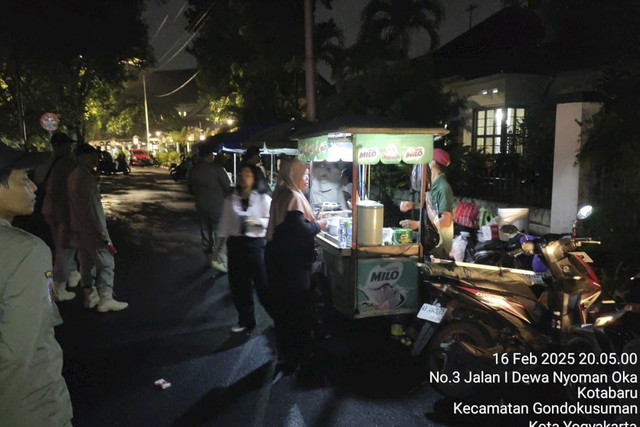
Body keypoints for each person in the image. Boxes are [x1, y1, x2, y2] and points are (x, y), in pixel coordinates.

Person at [0, 141, 73, 426]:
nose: (33, 187)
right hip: (27, 409)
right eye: (23, 179)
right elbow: (21, 355)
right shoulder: (24, 251)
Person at [265, 159, 327, 375]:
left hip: (277, 260)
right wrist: (319, 225)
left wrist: (311, 221)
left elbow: (292, 225)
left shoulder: (283, 190)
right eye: (305, 174)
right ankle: (298, 356)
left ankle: (287, 354)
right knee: (297, 309)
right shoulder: (292, 195)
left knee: (284, 310)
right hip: (291, 265)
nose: (308, 178)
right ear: (293, 173)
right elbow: (299, 231)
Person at [68, 143, 128, 312]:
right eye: (91, 156)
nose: (95, 159)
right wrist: (102, 232)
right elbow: (94, 208)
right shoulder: (86, 178)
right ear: (80, 157)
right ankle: (105, 299)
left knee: (86, 263)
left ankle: (89, 296)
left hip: (79, 227)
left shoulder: (73, 175)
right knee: (106, 263)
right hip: (92, 229)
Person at [213, 164, 272, 333]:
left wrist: (258, 221)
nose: (243, 177)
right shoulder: (231, 199)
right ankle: (246, 320)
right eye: (240, 174)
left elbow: (273, 220)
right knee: (239, 286)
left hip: (256, 245)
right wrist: (217, 248)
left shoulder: (263, 198)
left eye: (247, 174)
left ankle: (279, 319)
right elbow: (224, 225)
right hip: (236, 245)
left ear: (255, 178)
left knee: (263, 285)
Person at [42, 132, 80, 302]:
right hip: (65, 214)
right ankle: (58, 287)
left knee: (60, 247)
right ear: (63, 146)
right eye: (68, 145)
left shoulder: (47, 163)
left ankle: (71, 274)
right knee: (65, 249)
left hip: (50, 212)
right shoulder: (68, 165)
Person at [399, 148, 454, 255]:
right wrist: (412, 205)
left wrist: (418, 224)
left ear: (433, 163)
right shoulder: (433, 184)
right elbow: (432, 208)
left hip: (439, 242)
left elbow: (446, 220)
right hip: (430, 238)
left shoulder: (443, 188)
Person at [188, 138, 232, 270]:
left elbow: (190, 188)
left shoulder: (194, 170)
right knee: (219, 231)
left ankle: (208, 257)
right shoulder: (217, 169)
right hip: (217, 205)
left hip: (201, 205)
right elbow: (227, 186)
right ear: (208, 155)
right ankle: (219, 258)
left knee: (205, 231)